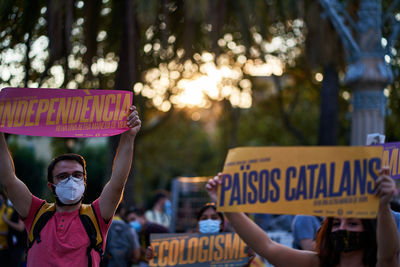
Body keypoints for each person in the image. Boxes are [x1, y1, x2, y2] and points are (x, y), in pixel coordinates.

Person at [0, 105, 141, 267]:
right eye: (63, 176)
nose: (71, 181)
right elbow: (8, 180)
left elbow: (117, 182)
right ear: (51, 185)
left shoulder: (96, 215)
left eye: (77, 175)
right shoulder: (36, 213)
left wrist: (128, 137)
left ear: (84, 181)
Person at [206, 168, 400, 267]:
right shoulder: (317, 264)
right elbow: (267, 247)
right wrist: (227, 205)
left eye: (352, 223)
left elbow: (388, 254)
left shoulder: (381, 264)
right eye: (336, 223)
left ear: (369, 230)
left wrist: (383, 205)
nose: (342, 228)